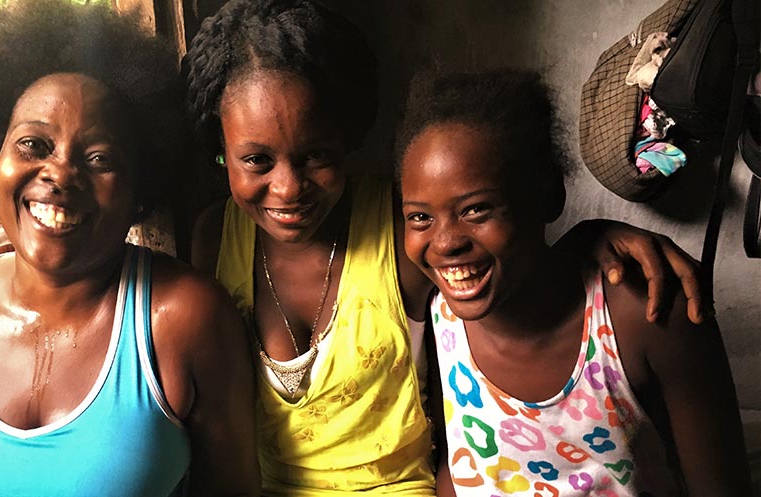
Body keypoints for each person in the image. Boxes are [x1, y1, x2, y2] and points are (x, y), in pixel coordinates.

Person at [183, 0, 707, 494]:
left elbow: (499, 262)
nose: (289, 187)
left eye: (316, 155)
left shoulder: (399, 227)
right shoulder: (213, 241)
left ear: (347, 137)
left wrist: (591, 238)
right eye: (256, 161)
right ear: (219, 151)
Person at [0, 1, 259, 496]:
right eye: (33, 146)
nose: (61, 174)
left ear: (138, 192)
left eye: (99, 157)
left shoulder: (184, 319)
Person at [397, 69, 751, 496]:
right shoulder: (441, 319)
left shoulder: (649, 311)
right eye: (420, 217)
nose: (446, 242)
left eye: (476, 209)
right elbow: (458, 467)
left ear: (549, 197)